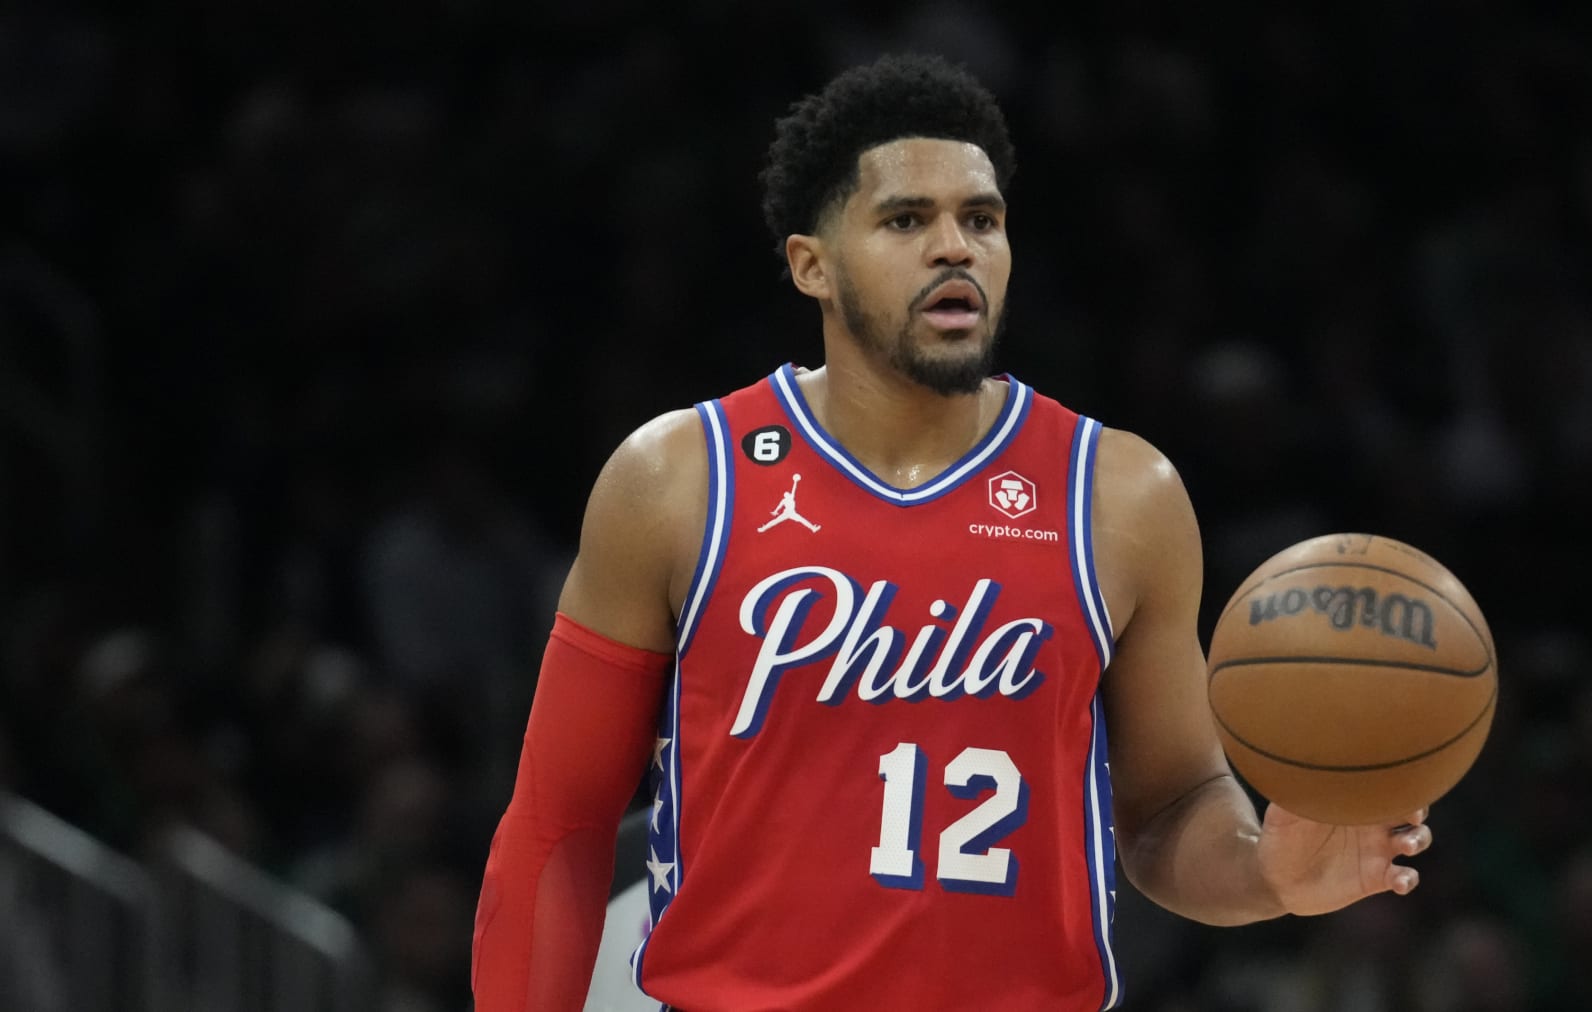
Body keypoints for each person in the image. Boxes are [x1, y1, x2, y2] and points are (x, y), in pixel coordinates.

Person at [471, 52, 1434, 1011]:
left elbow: (1171, 806)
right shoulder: (679, 480)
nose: (955, 248)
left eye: (981, 219)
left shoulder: (1121, 493)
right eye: (905, 220)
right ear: (812, 264)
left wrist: (1270, 871)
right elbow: (560, 826)